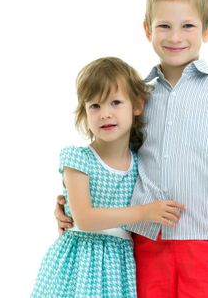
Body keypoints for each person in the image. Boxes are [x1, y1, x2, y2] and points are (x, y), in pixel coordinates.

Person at [56, 0, 208, 298]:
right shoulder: (137, 98)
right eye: (164, 26)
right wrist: (70, 202)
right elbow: (111, 158)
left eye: (188, 26)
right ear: (147, 30)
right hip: (145, 244)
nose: (175, 37)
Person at [32, 57, 185, 298]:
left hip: (119, 265)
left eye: (115, 103)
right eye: (95, 106)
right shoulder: (78, 159)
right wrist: (144, 212)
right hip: (79, 263)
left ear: (137, 106)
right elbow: (84, 219)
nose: (105, 114)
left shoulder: (140, 163)